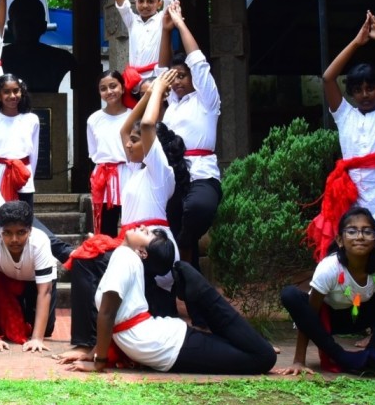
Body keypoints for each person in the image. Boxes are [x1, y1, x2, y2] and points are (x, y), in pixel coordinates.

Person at [61, 71, 185, 358]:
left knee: (86, 263)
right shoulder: (136, 170)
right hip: (131, 246)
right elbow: (126, 128)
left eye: (135, 141)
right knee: (85, 261)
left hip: (152, 246)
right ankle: (87, 342)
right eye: (130, 141)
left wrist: (157, 91)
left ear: (154, 148)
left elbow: (147, 124)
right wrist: (145, 98)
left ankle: (90, 344)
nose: (128, 144)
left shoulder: (160, 172)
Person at [60, 228, 277, 375]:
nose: (143, 227)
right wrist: (94, 354)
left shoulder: (125, 258)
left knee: (262, 358)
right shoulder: (126, 257)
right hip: (165, 342)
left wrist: (99, 363)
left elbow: (107, 314)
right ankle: (203, 295)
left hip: (168, 345)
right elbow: (112, 316)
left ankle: (203, 293)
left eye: (147, 234)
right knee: (256, 354)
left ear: (143, 252)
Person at [277, 207, 375, 376]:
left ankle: (371, 353)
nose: (360, 236)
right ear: (340, 240)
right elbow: (309, 317)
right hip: (330, 320)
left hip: (363, 315)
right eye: (352, 231)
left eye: (367, 232)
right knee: (290, 295)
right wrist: (299, 361)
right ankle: (340, 356)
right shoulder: (330, 268)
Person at [308, 13, 375, 261]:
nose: (365, 94)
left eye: (370, 88)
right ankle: (356, 300)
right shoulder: (344, 115)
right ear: (351, 93)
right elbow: (328, 77)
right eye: (358, 89)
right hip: (350, 190)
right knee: (352, 255)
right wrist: (356, 42)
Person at [159, 0, 222, 267]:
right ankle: (184, 289)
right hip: (172, 174)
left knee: (198, 209)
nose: (178, 81)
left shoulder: (207, 99)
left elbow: (197, 60)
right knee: (170, 229)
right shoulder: (170, 103)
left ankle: (185, 244)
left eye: (183, 75)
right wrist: (164, 31)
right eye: (175, 77)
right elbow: (160, 73)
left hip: (202, 172)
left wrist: (179, 23)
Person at [0, 201, 57, 352]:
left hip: (37, 283)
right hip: (8, 281)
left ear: (30, 230)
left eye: (21, 232)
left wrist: (37, 339)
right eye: (7, 233)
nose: (14, 239)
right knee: (4, 326)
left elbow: (44, 291)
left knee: (45, 329)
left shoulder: (40, 241)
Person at [112, 0, 177, 105]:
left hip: (158, 79)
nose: (145, 5)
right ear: (136, 1)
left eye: (150, 1)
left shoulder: (163, 18)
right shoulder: (132, 20)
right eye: (141, 1)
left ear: (159, 3)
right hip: (133, 84)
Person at [0, 74, 39, 206]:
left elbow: (34, 153)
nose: (12, 96)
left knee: (24, 216)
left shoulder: (31, 119)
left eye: (16, 91)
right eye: (6, 92)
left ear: (21, 92)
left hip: (24, 174)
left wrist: (29, 175)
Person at [87, 70, 130, 236]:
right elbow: (93, 152)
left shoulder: (133, 115)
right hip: (103, 177)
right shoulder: (93, 119)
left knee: (131, 224)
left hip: (129, 172)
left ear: (123, 87)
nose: (109, 92)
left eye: (113, 86)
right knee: (106, 228)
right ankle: (107, 260)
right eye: (103, 88)